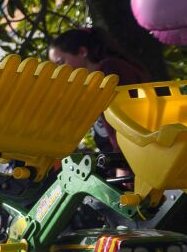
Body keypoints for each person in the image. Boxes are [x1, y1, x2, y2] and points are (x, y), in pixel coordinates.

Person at [49, 28, 150, 158]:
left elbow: (124, 122)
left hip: (136, 157)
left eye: (60, 62)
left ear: (82, 52)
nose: (59, 70)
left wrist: (121, 161)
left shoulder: (109, 70)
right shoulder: (93, 82)